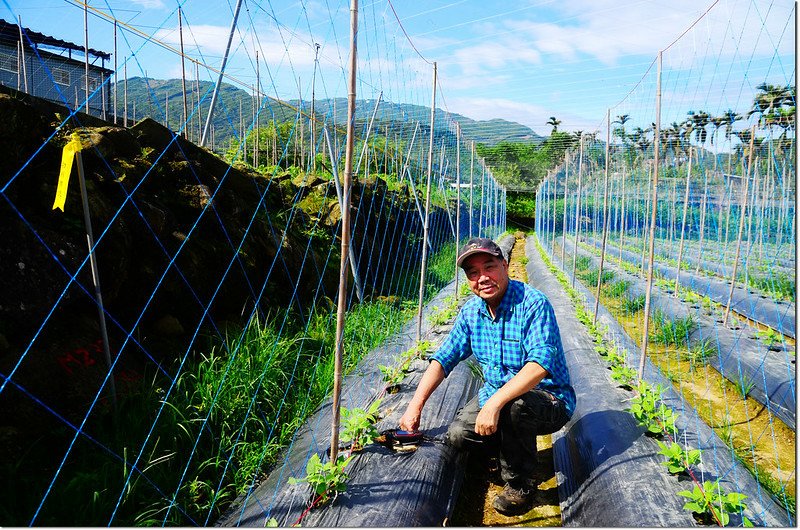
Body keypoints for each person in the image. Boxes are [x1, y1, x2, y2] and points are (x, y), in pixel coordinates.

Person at [399, 237, 575, 516]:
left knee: (514, 407)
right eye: (473, 273)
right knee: (458, 435)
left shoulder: (533, 304)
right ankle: (503, 451)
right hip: (496, 392)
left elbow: (539, 366)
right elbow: (443, 359)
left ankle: (520, 484)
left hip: (547, 399)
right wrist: (414, 406)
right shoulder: (471, 312)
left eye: (489, 267)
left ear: (505, 265)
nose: (482, 277)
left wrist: (493, 405)